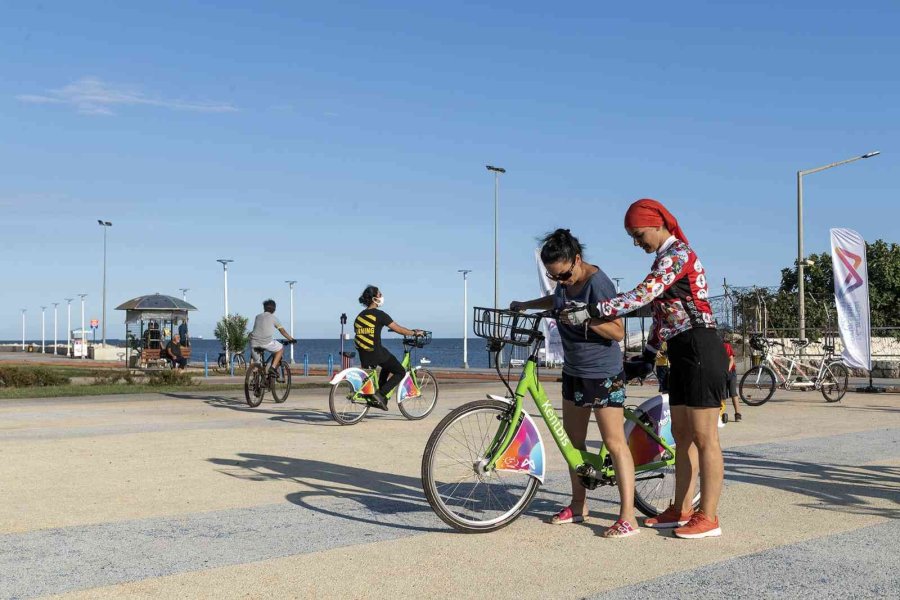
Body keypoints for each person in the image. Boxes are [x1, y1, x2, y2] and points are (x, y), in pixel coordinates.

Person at [561, 198, 728, 539]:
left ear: (657, 224)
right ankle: (681, 509)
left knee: (705, 437)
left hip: (701, 345)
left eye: (638, 235)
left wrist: (593, 311)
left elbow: (643, 295)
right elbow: (660, 313)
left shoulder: (679, 254)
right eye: (632, 238)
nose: (637, 243)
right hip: (680, 349)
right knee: (682, 436)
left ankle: (708, 515)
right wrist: (649, 355)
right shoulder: (663, 259)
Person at [510, 230, 636, 538]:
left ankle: (628, 516)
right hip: (574, 370)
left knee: (614, 443)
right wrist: (526, 304)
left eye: (564, 275)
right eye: (554, 277)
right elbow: (555, 300)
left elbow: (618, 331)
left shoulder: (597, 283)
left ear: (576, 260)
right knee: (573, 445)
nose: (561, 282)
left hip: (602, 372)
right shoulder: (562, 283)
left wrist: (586, 319)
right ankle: (579, 505)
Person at [354, 285, 423, 411]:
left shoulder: (359, 317)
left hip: (363, 354)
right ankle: (380, 394)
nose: (381, 296)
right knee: (400, 371)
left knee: (387, 364)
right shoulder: (379, 315)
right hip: (376, 353)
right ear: (375, 299)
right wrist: (414, 332)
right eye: (380, 294)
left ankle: (380, 397)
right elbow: (399, 329)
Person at [248, 300, 296, 376]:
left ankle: (255, 382)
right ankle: (272, 368)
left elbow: (256, 329)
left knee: (257, 364)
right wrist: (291, 339)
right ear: (274, 309)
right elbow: (282, 331)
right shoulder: (273, 318)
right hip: (265, 342)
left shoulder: (257, 317)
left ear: (264, 308)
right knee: (280, 348)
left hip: (253, 342)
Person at [723, 337, 742, 422]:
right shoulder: (712, 349)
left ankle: (737, 414)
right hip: (721, 373)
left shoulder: (726, 346)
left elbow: (731, 360)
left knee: (733, 393)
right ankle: (720, 413)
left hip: (730, 372)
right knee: (722, 395)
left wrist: (727, 371)